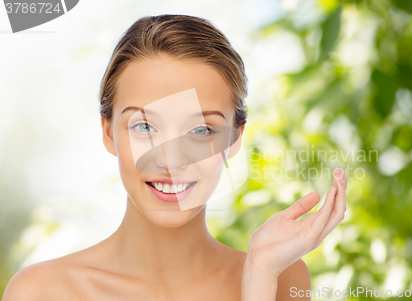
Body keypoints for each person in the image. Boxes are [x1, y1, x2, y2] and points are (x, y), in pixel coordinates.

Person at [2, 14, 347, 300]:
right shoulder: (43, 292)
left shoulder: (280, 277)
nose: (170, 160)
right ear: (108, 132)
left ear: (234, 138)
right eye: (144, 127)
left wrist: (258, 278)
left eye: (201, 131)